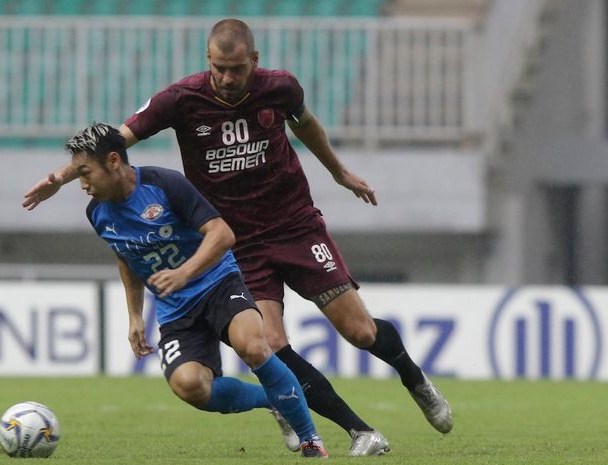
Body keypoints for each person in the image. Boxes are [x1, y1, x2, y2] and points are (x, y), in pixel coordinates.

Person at [23, 19, 452, 455]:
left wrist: (339, 172)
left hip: (294, 225)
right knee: (271, 345)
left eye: (236, 69)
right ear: (207, 60)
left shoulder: (281, 88)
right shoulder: (181, 99)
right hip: (235, 242)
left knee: (359, 331)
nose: (227, 78)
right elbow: (112, 143)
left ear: (255, 61)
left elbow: (305, 125)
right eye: (219, 68)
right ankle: (359, 432)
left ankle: (415, 379)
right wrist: (59, 177)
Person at [62, 122, 328, 458]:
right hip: (175, 308)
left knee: (254, 346)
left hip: (217, 282)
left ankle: (311, 442)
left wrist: (184, 272)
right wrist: (133, 316)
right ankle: (273, 401)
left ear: (114, 161)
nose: (82, 184)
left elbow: (222, 233)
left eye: (85, 173)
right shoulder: (97, 213)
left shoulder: (164, 183)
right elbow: (126, 257)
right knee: (190, 386)